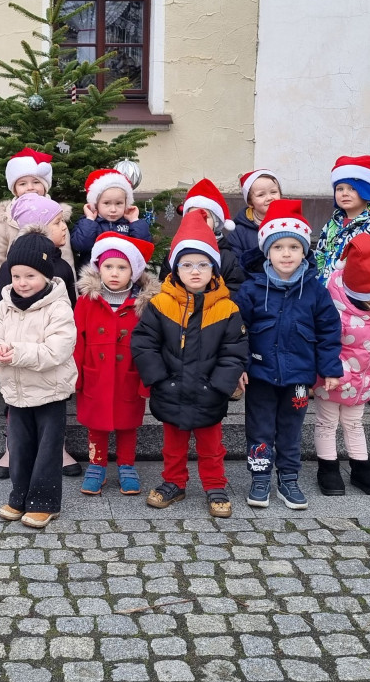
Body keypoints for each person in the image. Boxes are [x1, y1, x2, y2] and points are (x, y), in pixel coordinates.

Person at [131, 211, 248, 518]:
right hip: (171, 387)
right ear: (175, 268)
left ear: (213, 268)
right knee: (173, 443)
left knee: (212, 445)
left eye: (203, 264)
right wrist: (160, 380)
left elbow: (234, 351)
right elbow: (144, 344)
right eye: (187, 265)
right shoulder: (160, 304)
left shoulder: (226, 308)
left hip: (210, 391)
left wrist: (219, 386)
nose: (195, 271)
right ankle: (174, 482)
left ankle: (215, 485)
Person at [236, 199, 342, 510]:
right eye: (278, 247)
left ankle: (289, 477)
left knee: (291, 428)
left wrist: (331, 369)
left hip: (298, 376)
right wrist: (240, 366)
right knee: (259, 427)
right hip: (260, 374)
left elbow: (328, 332)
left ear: (304, 252)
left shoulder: (315, 291)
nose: (286, 254)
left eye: (293, 247)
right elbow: (238, 332)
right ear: (267, 251)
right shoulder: (252, 290)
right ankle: (259, 475)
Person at [0, 231, 77, 529]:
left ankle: (44, 501)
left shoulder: (58, 308)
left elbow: (57, 350)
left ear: (46, 275)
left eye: (30, 276)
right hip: (16, 391)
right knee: (19, 448)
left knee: (48, 449)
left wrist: (16, 352)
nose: (22, 283)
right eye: (16, 275)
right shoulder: (3, 305)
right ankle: (19, 495)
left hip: (50, 391)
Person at [312, 234, 370, 496]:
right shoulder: (334, 310)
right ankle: (328, 466)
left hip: (364, 380)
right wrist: (330, 370)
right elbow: (323, 342)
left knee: (354, 422)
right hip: (333, 379)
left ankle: (361, 465)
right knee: (327, 422)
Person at [74, 233, 159, 496]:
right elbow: (77, 339)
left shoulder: (144, 305)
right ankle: (96, 466)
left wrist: (148, 381)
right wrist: (75, 377)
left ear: (133, 272)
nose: (114, 273)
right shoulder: (87, 301)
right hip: (95, 374)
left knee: (128, 423)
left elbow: (151, 345)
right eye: (108, 266)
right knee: (96, 424)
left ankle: (126, 465)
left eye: (122, 268)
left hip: (128, 375)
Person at [314, 155, 370, 409]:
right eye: (339, 188)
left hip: (361, 296)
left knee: (365, 339)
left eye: (351, 188)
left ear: (365, 190)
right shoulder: (332, 224)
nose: (344, 194)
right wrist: (318, 281)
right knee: (332, 337)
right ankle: (325, 377)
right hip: (330, 292)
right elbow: (320, 254)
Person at [0, 148, 75, 300]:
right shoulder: (5, 221)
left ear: (45, 185)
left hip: (52, 294)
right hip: (14, 290)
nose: (30, 187)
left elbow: (66, 260)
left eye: (36, 182)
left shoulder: (56, 219)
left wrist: (71, 297)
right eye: (23, 183)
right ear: (15, 189)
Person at [158, 179, 246, 294]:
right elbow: (166, 284)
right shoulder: (175, 252)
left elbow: (235, 287)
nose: (198, 220)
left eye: (205, 216)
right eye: (192, 215)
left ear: (215, 223)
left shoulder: (226, 257)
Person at [0, 194, 76, 311]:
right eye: (57, 222)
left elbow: (71, 310)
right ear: (38, 228)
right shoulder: (12, 266)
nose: (64, 227)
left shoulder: (63, 267)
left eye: (63, 221)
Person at [70, 168, 152, 268]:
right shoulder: (87, 222)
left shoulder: (128, 223)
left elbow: (143, 247)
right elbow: (80, 245)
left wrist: (134, 221)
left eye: (119, 203)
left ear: (126, 203)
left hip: (123, 273)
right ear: (96, 204)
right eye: (107, 203)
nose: (113, 209)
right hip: (93, 275)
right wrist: (90, 220)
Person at [226, 169, 284, 259]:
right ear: (250, 203)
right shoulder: (239, 232)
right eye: (261, 195)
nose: (269, 198)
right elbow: (235, 261)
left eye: (273, 192)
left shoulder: (290, 222)